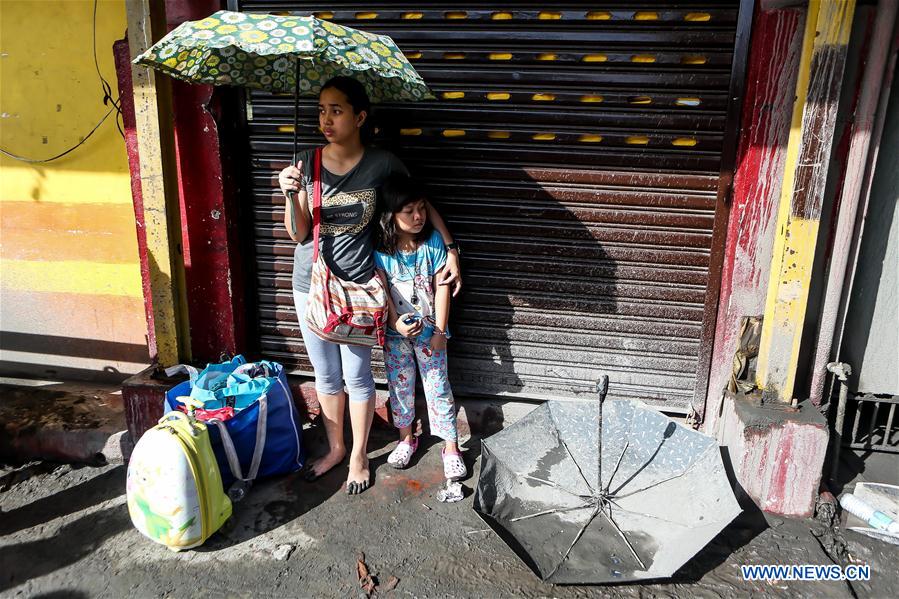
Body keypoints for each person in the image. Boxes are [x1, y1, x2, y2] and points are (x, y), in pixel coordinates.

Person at [277, 76, 461, 495]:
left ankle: (360, 454)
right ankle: (336, 448)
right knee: (325, 376)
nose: (326, 119)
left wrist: (449, 248)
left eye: (337, 111)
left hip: (360, 284)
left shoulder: (384, 164)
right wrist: (290, 194)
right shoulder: (305, 162)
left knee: (358, 376)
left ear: (359, 117)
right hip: (312, 285)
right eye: (322, 110)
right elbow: (298, 234)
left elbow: (419, 203)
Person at [375, 174, 466, 481]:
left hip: (431, 334)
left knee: (438, 384)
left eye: (422, 209)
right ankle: (406, 438)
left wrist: (440, 332)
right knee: (400, 387)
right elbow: (381, 291)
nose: (418, 217)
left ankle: (451, 447)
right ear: (390, 215)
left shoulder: (433, 244)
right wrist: (393, 323)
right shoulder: (380, 251)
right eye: (408, 211)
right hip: (395, 334)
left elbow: (443, 288)